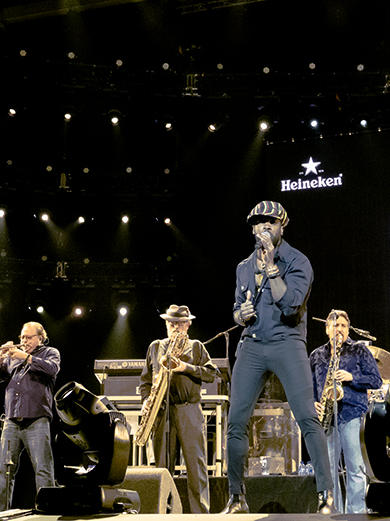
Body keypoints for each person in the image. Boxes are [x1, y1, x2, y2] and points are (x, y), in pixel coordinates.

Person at [222, 200, 335, 514]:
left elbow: (291, 305)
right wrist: (241, 315)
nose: (264, 227)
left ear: (282, 226)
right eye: (259, 223)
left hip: (287, 342)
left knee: (307, 418)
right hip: (252, 344)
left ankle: (325, 495)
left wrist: (272, 267)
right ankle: (236, 498)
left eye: (271, 222)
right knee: (235, 422)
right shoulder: (244, 267)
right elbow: (237, 308)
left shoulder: (297, 261)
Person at [139, 305, 217, 513]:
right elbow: (145, 382)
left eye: (180, 323)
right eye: (171, 323)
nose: (175, 327)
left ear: (188, 324)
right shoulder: (155, 347)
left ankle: (200, 515)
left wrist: (185, 367)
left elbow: (211, 374)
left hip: (189, 410)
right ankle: (162, 513)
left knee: (196, 466)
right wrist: (146, 400)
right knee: (162, 467)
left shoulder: (196, 346)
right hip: (162, 411)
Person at [310, 310, 382, 513]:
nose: (339, 329)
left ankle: (356, 513)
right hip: (326, 417)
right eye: (335, 325)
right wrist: (312, 402)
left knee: (355, 468)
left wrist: (352, 377)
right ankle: (333, 511)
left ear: (348, 329)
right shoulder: (316, 355)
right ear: (327, 329)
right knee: (329, 470)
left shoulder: (359, 350)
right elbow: (310, 384)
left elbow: (376, 380)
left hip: (352, 413)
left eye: (343, 325)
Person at [0, 321, 60, 511]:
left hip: (37, 419)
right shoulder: (12, 358)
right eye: (22, 337)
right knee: (4, 471)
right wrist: (0, 358)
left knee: (43, 469)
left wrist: (26, 357)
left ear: (40, 338)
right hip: (11, 420)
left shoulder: (50, 352)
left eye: (28, 337)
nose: (24, 340)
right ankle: (1, 514)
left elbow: (52, 369)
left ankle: (47, 511)